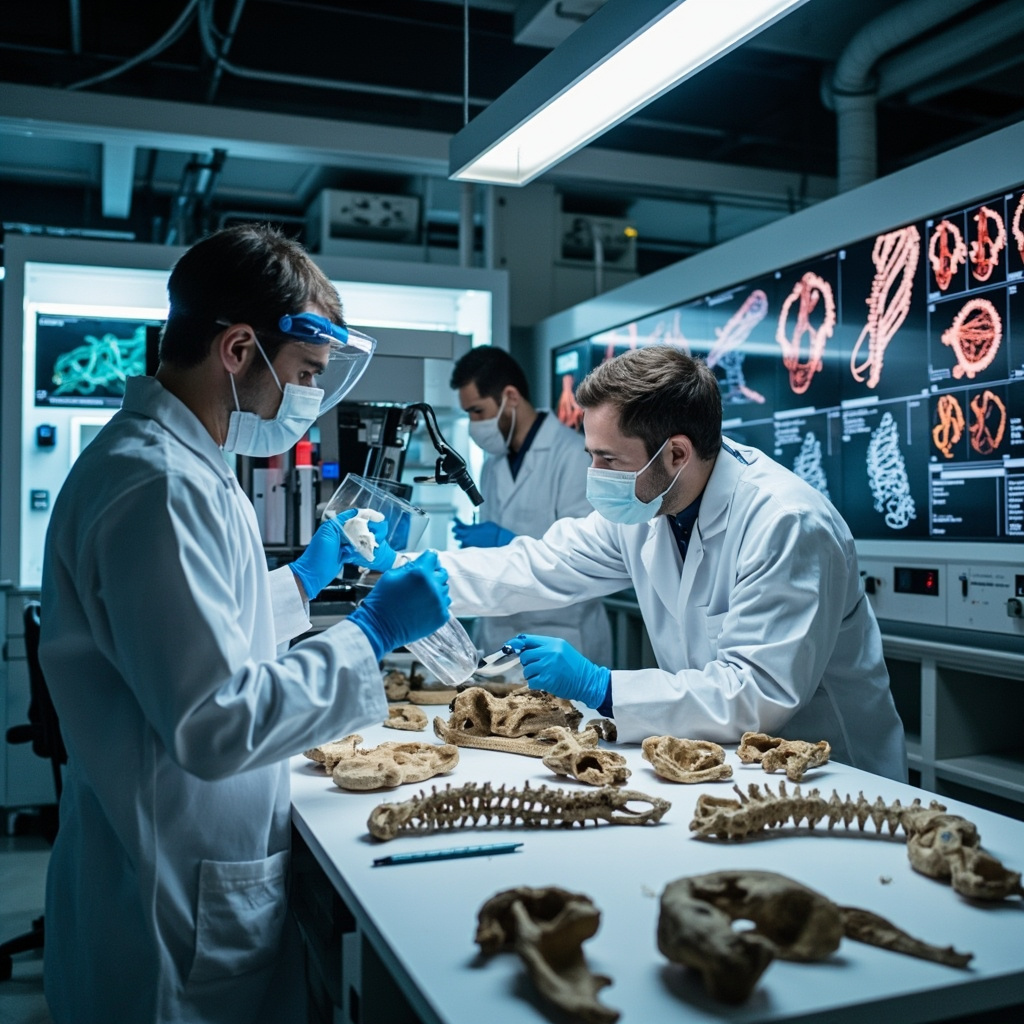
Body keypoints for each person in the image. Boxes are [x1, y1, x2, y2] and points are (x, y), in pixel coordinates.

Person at [38, 224, 451, 1024]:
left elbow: (194, 632)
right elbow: (213, 720)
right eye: (306, 374)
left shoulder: (182, 460)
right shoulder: (158, 484)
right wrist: (371, 632)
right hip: (171, 899)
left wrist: (300, 583)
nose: (309, 398)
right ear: (237, 350)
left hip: (185, 863)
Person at [440, 345, 907, 781]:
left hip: (831, 772)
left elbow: (756, 692)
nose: (595, 476)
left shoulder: (786, 523)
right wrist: (422, 576)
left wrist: (601, 687)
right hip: (720, 759)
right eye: (591, 456)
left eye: (609, 459)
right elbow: (543, 563)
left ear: (677, 454)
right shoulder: (648, 507)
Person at [449, 346, 612, 666]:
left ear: (510, 396)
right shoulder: (493, 465)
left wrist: (506, 541)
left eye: (478, 411)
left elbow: (585, 559)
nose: (473, 424)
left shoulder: (573, 456)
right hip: (498, 632)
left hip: (561, 633)